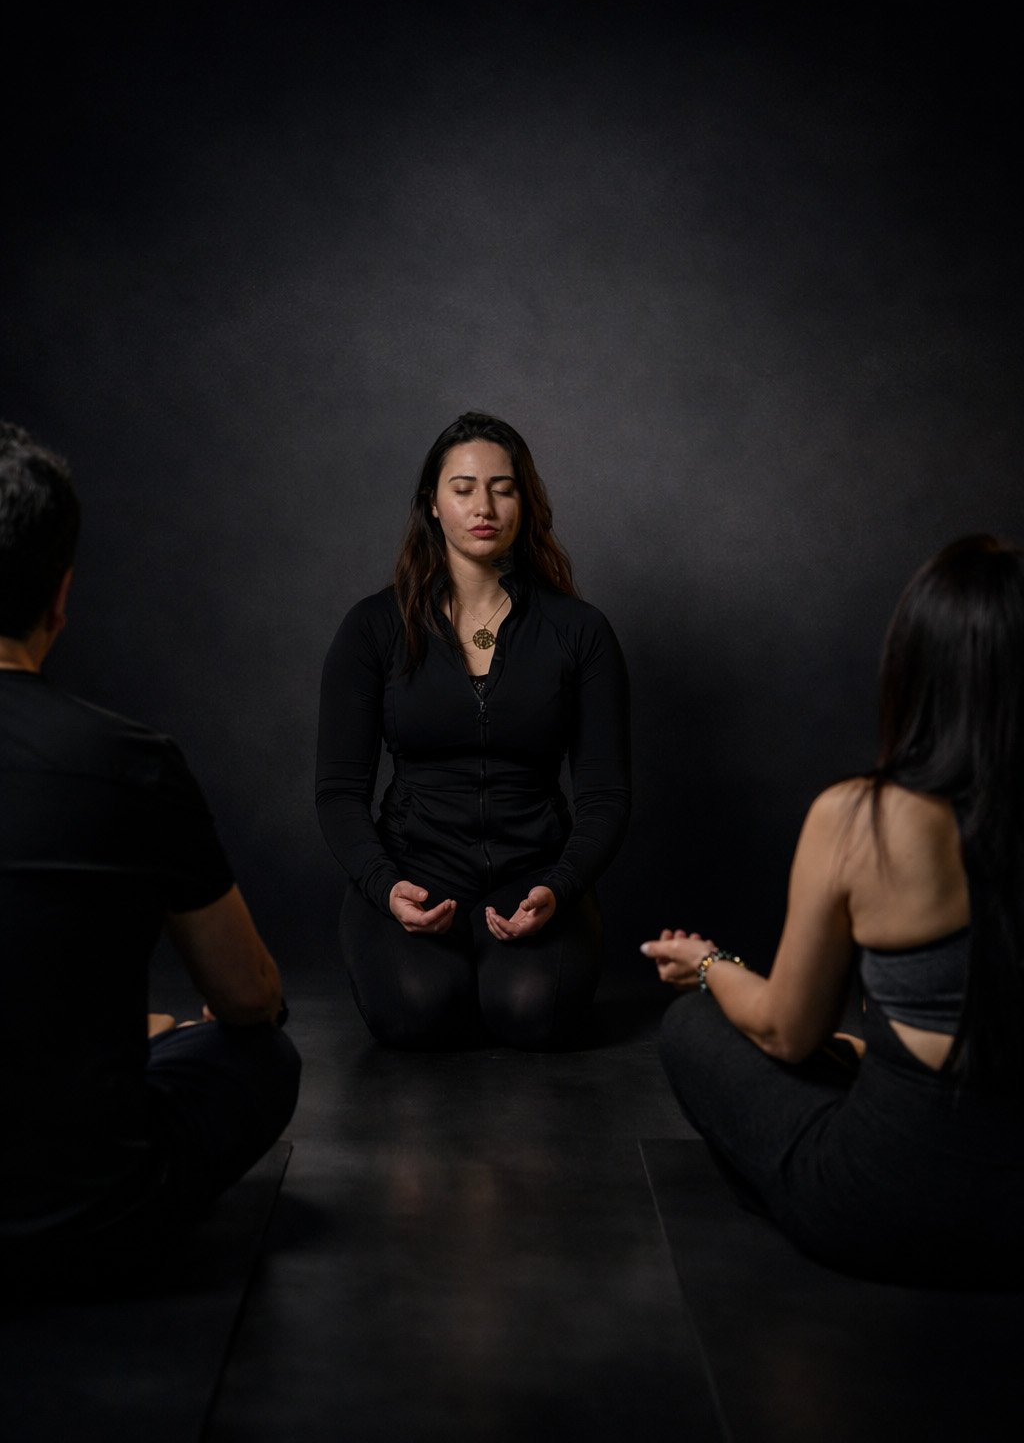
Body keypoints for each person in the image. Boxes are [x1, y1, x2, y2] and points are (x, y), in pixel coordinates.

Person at [642, 534, 1024, 1289]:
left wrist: (710, 967)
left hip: (887, 1207)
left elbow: (787, 1031)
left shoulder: (862, 818)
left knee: (692, 1026)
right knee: (851, 1048)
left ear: (915, 670)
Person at [0, 422, 300, 1294]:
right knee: (263, 1056)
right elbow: (249, 999)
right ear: (61, 598)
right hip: (81, 1223)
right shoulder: (132, 762)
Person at [316, 411, 630, 1049]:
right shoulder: (373, 628)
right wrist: (384, 885)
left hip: (534, 876)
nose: (482, 505)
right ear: (433, 504)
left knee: (530, 1014)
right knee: (416, 1014)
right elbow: (339, 791)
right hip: (413, 871)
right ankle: (440, 966)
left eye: (502, 487)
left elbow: (605, 795)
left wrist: (559, 886)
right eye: (462, 488)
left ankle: (505, 964)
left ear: (525, 500)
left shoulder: (581, 632)